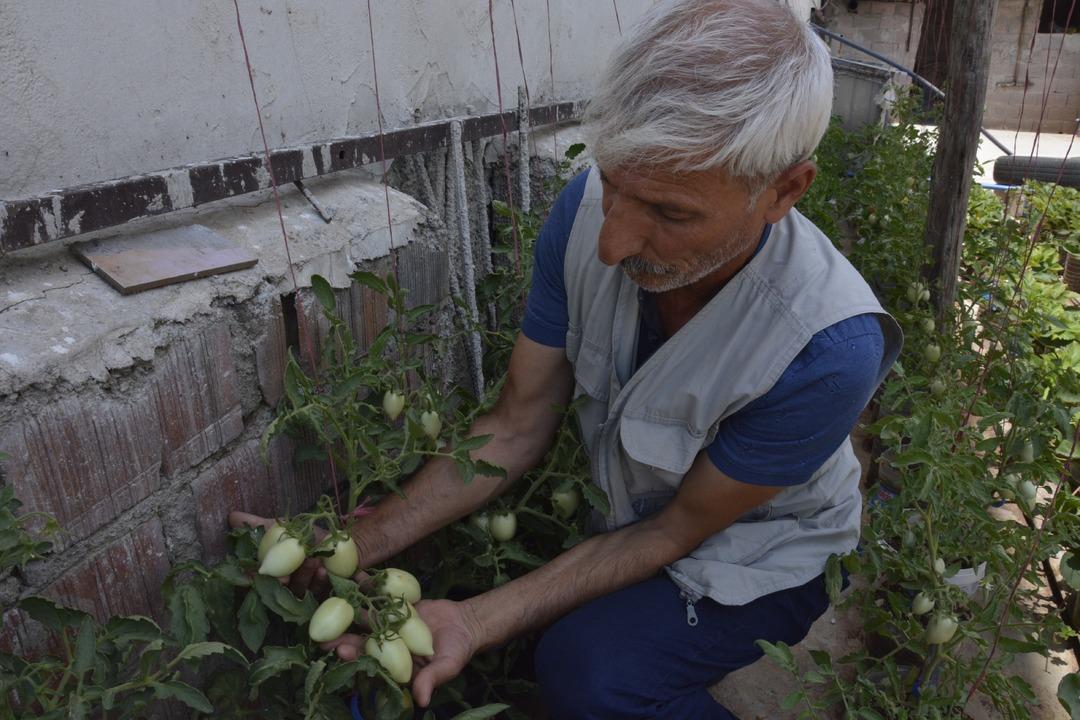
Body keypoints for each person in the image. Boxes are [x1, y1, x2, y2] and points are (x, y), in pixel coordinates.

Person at [232, 0, 902, 716]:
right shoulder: (584, 211)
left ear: (784, 191)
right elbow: (519, 422)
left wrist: (475, 619)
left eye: (671, 214)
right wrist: (362, 542)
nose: (612, 245)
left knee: (590, 672)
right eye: (615, 185)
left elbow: (677, 530)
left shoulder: (828, 347)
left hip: (762, 556)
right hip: (637, 521)